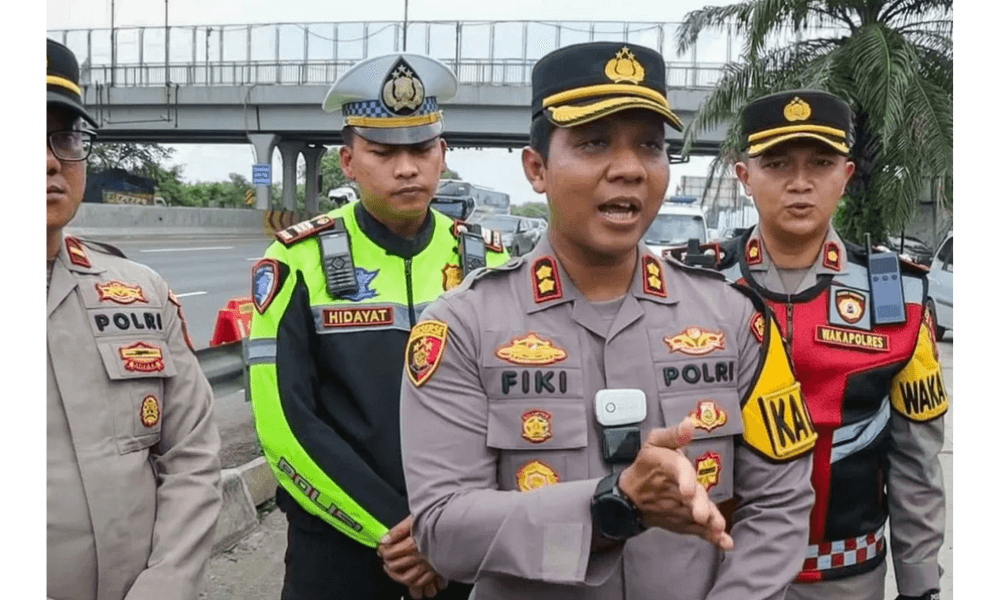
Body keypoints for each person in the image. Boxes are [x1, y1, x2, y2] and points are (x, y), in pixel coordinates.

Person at [399, 41, 818, 600]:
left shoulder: (734, 319)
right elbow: (443, 531)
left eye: (649, 145)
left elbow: (781, 504)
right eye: (594, 143)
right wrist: (611, 507)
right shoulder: (462, 328)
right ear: (537, 168)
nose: (628, 169)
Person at [247, 52, 509, 600]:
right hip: (340, 548)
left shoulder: (489, 263)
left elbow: (516, 411)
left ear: (443, 155)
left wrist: (448, 529)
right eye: (384, 152)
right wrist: (395, 532)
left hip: (462, 544)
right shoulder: (297, 261)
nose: (406, 168)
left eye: (421, 149)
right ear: (348, 161)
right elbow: (284, 425)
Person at [712, 89, 947, 600]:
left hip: (846, 577)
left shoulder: (898, 296)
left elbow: (917, 466)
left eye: (820, 163)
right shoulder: (700, 287)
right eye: (777, 164)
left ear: (846, 175)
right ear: (744, 176)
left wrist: (920, 585)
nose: (800, 183)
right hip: (717, 570)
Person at [46, 39, 222, 600]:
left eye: (64, 138)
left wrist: (165, 586)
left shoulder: (139, 292)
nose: (50, 161)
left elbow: (191, 459)